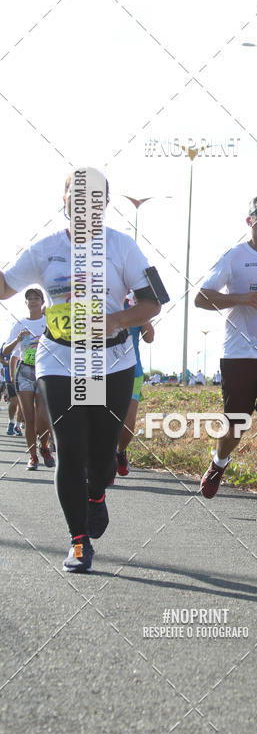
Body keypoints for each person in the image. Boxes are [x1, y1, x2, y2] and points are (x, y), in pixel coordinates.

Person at [0, 169, 162, 573]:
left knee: (103, 455)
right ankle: (77, 541)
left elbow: (153, 301)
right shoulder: (46, 249)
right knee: (70, 450)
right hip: (59, 360)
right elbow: (5, 286)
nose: (85, 205)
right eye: (77, 196)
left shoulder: (122, 247)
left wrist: (116, 320)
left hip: (110, 361)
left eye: (94, 198)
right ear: (65, 200)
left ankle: (96, 493)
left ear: (104, 205)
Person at [195, 194, 257, 525]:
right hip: (239, 353)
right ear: (248, 220)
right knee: (236, 425)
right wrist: (241, 298)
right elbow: (201, 297)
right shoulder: (235, 256)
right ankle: (219, 462)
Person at [2, 287, 54, 469]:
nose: (33, 301)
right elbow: (6, 351)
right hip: (24, 371)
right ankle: (33, 456)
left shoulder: (49, 321)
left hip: (44, 370)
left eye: (36, 298)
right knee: (29, 418)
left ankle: (44, 446)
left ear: (42, 302)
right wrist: (17, 340)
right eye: (29, 298)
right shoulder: (20, 324)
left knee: (44, 416)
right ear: (26, 303)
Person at [115, 296, 154, 477]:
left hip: (133, 371)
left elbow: (150, 338)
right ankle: (99, 463)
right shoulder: (105, 300)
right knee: (97, 419)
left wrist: (141, 313)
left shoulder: (137, 304)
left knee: (128, 423)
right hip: (100, 369)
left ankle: (120, 452)